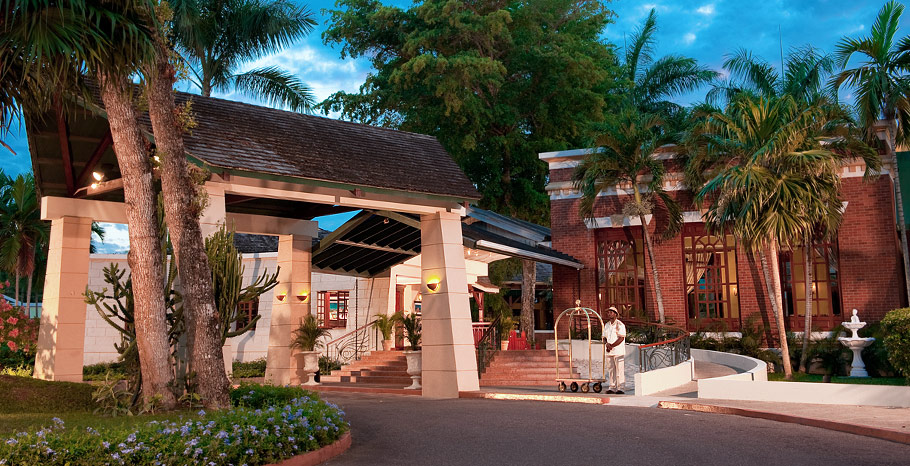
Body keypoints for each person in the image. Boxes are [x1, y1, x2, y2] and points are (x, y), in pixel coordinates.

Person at [602, 306, 626, 394]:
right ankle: (612, 387)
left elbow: (621, 338)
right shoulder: (607, 325)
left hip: (618, 351)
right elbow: (604, 337)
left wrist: (612, 345)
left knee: (619, 370)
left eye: (611, 312)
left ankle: (621, 388)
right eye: (608, 312)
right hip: (609, 351)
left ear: (615, 314)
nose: (609, 314)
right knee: (611, 370)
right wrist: (607, 344)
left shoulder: (620, 324)